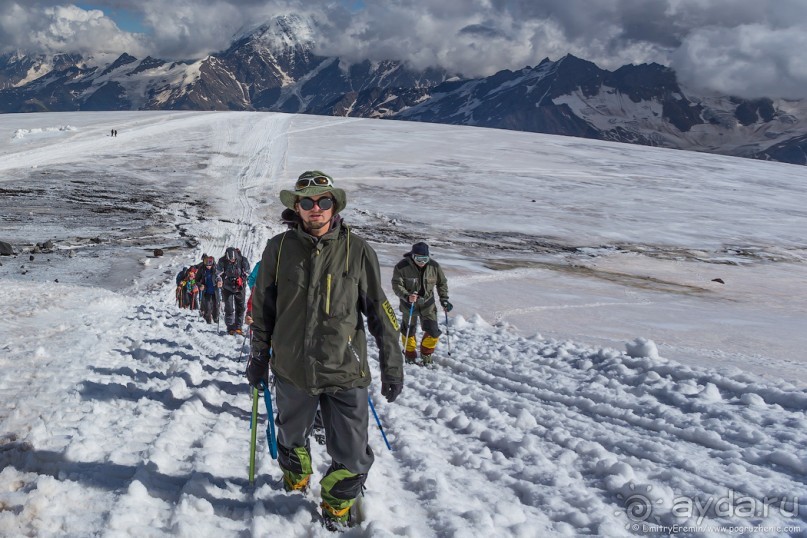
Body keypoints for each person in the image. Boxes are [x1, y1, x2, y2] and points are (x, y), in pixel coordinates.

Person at [246, 171, 404, 530]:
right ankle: (295, 484)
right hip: (292, 369)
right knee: (290, 441)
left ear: (334, 205)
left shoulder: (357, 250)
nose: (315, 208)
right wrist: (258, 356)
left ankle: (336, 508)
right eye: (307, 201)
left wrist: (392, 366)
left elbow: (380, 312)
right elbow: (263, 308)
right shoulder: (278, 249)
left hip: (345, 371)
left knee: (353, 457)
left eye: (323, 201)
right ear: (296, 208)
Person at [391, 242, 452, 365]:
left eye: (425, 259)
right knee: (408, 331)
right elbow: (396, 285)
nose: (422, 262)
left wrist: (444, 299)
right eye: (419, 259)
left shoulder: (434, 266)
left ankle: (426, 353)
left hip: (428, 304)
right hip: (409, 304)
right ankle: (409, 354)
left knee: (433, 332)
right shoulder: (402, 267)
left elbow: (442, 283)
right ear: (413, 256)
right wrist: (407, 296)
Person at [217, 246, 250, 335]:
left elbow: (248, 273)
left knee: (240, 308)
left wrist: (242, 278)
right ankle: (230, 327)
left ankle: (238, 327)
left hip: (240, 287)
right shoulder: (222, 261)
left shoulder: (242, 260)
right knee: (229, 308)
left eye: (233, 259)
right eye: (230, 259)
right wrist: (219, 280)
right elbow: (218, 274)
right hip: (227, 287)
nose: (232, 260)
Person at [196, 255, 222, 324]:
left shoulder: (216, 268)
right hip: (206, 291)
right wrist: (200, 285)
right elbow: (197, 280)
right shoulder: (202, 270)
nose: (208, 266)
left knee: (216, 306)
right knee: (207, 307)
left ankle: (215, 318)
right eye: (207, 265)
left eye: (210, 265)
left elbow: (219, 277)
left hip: (215, 291)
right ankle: (208, 320)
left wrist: (219, 282)